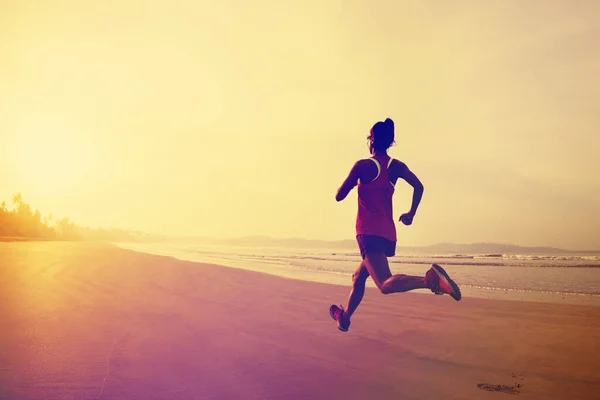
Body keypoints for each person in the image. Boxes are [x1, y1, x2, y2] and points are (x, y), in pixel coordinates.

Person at [329, 118, 461, 332]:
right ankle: (344, 318)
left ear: (371, 140)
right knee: (358, 276)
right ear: (389, 142)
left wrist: (356, 181)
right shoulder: (396, 167)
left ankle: (430, 280)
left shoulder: (362, 166)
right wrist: (411, 214)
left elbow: (338, 196)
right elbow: (419, 186)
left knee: (384, 284)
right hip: (387, 234)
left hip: (368, 232)